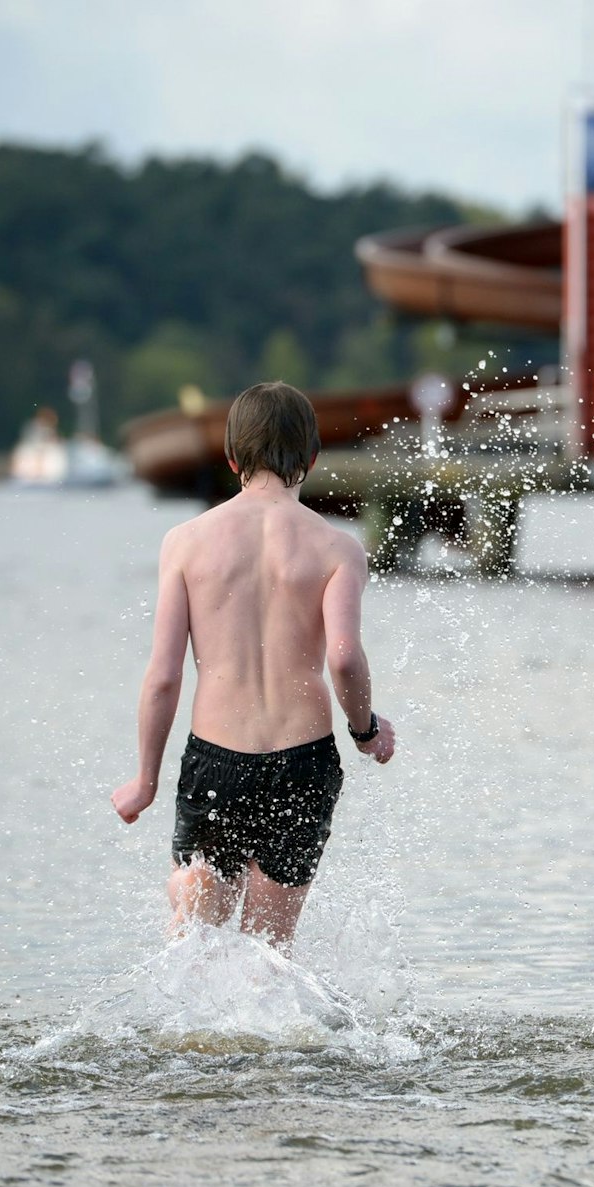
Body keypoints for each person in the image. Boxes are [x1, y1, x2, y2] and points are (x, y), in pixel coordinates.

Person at [111, 382, 397, 949]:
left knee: (197, 938)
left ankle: (191, 891)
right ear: (312, 458)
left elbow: (164, 675)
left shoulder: (186, 542)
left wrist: (145, 780)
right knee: (270, 952)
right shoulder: (338, 548)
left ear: (232, 457)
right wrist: (365, 730)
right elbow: (343, 658)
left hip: (217, 760)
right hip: (303, 761)